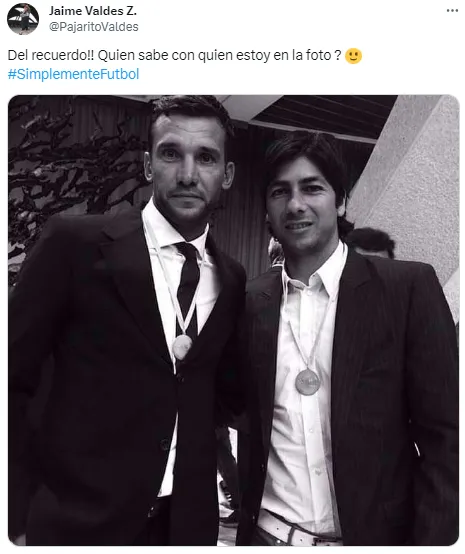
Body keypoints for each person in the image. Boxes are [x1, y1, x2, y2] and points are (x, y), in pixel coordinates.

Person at [9, 95, 246, 546]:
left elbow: (216, 395)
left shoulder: (231, 279)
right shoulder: (74, 245)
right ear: (147, 165)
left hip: (184, 528)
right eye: (171, 154)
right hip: (78, 526)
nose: (188, 174)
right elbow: (11, 377)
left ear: (227, 174)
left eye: (206, 158)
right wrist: (15, 515)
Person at [236, 131, 458, 546]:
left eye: (312, 188)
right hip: (268, 536)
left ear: (341, 201)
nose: (295, 204)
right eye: (280, 191)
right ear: (266, 207)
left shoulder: (407, 290)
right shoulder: (248, 302)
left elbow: (448, 442)